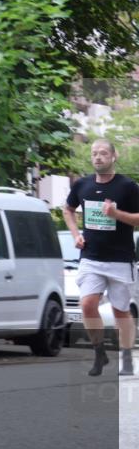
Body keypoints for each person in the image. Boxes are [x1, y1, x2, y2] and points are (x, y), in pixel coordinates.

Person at [62, 139, 139, 377]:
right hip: (91, 257)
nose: (98, 157)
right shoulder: (82, 184)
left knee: (120, 312)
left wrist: (116, 214)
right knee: (87, 304)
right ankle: (99, 352)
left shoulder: (127, 186)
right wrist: (75, 235)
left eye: (103, 153)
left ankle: (126, 357)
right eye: (94, 153)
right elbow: (68, 209)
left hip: (120, 259)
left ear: (113, 157)